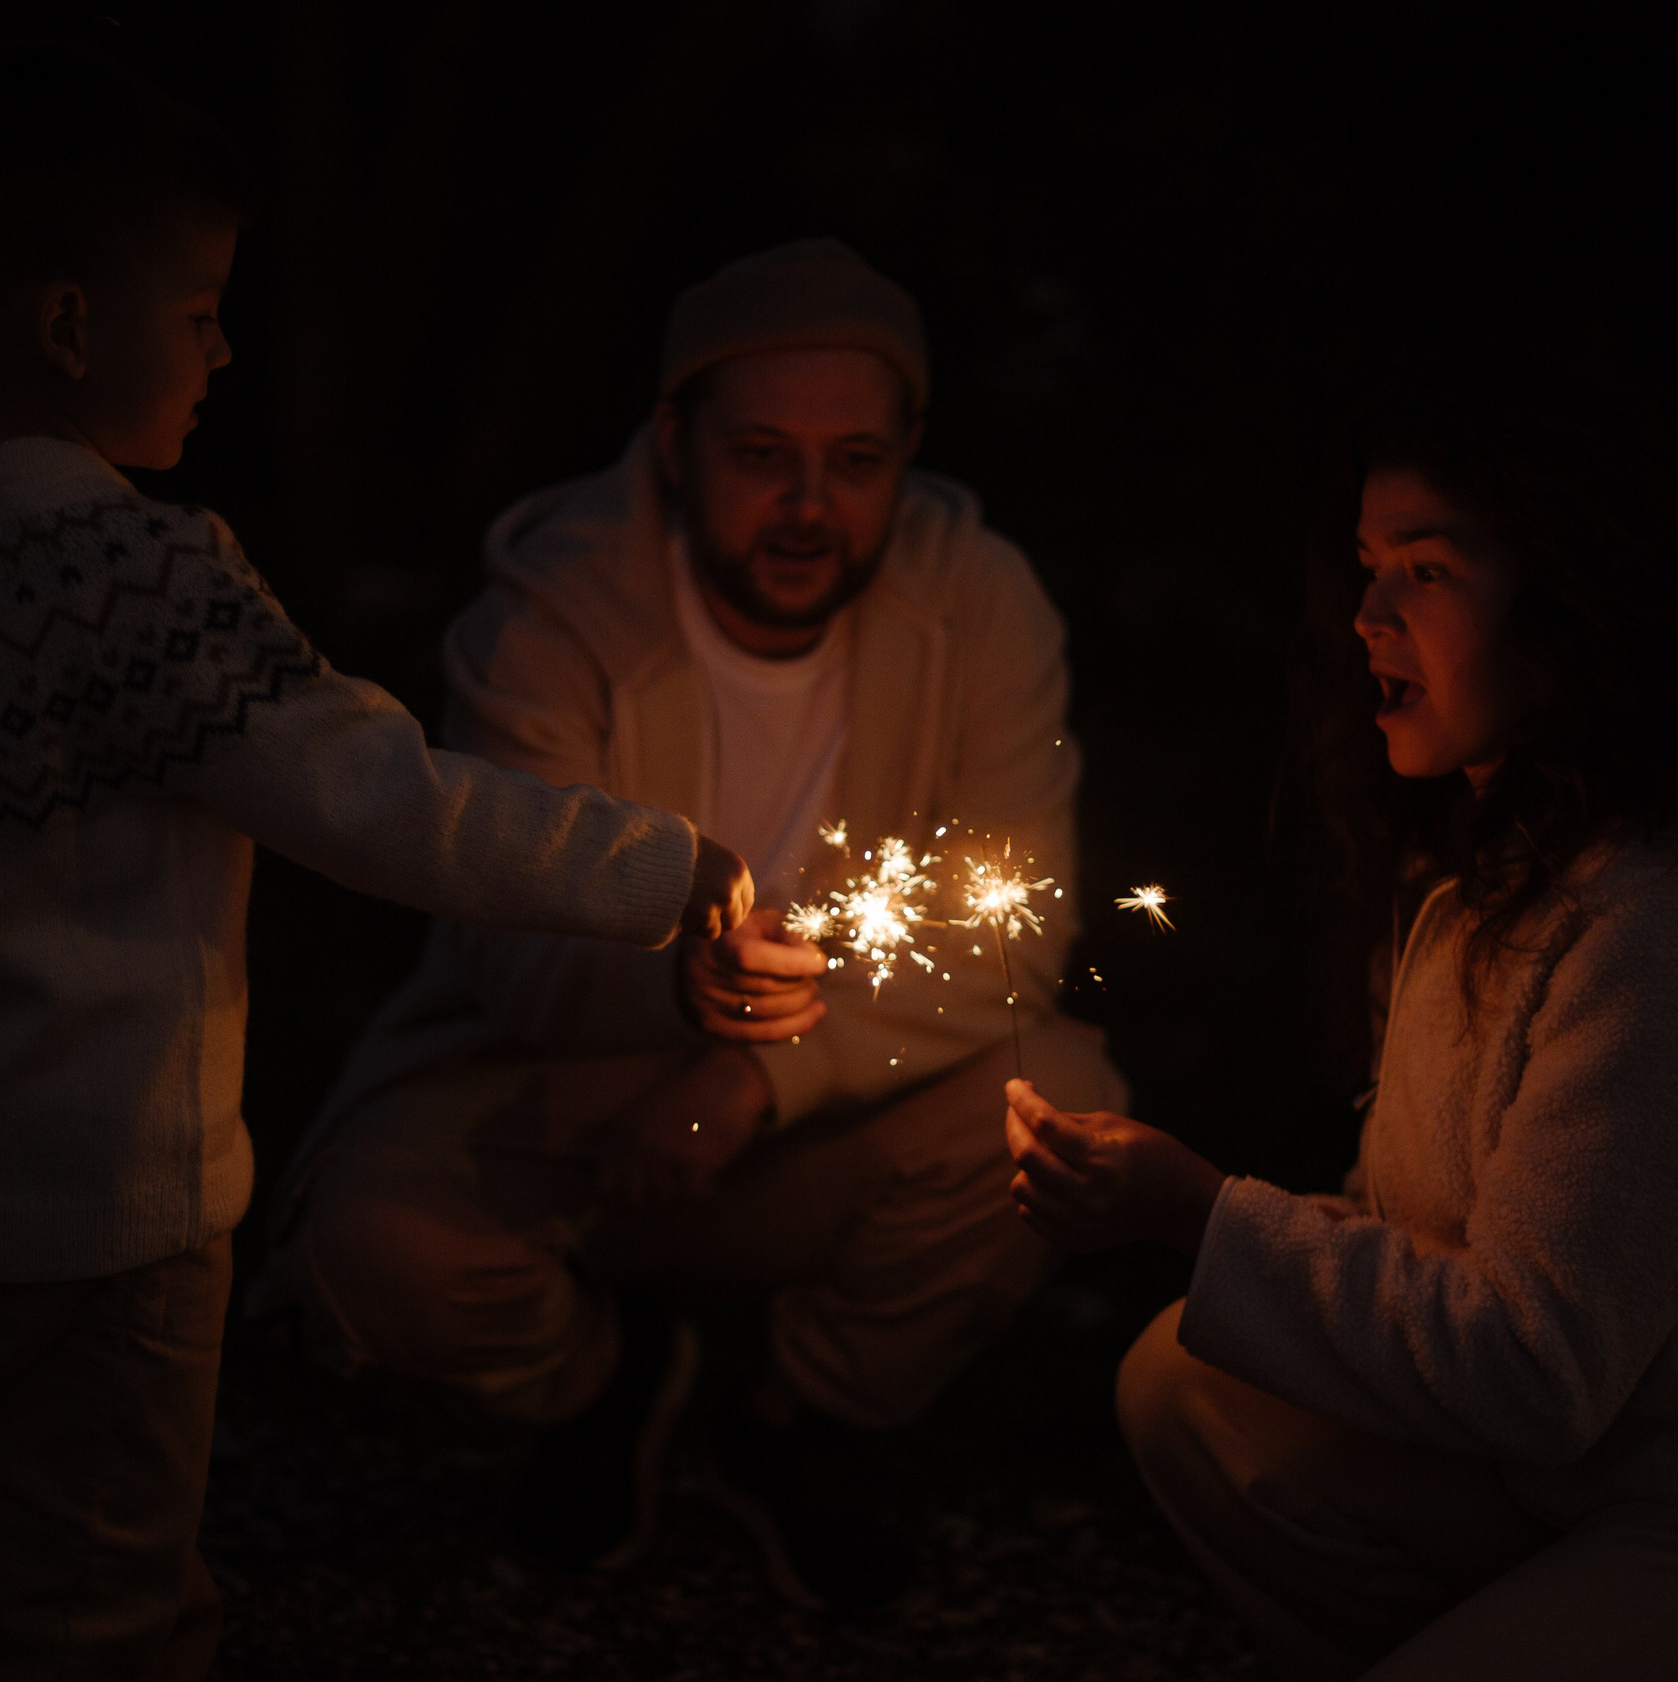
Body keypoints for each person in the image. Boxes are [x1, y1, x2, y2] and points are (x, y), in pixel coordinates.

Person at [0, 48, 751, 1682]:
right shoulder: (132, 577)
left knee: (45, 1530)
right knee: (78, 1611)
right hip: (115, 1211)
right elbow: (385, 805)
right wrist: (665, 864)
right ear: (71, 326)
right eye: (198, 312)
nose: (224, 350)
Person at [1000, 399, 1678, 1682]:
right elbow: (1429, 1255)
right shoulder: (1470, 888)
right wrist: (1195, 1220)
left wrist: (1200, 1214)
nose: (1368, 616)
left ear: (1570, 606)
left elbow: (1534, 1362)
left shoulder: (1670, 921)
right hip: (1596, 1478)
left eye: (1426, 570)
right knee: (1187, 1379)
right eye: (1368, 566)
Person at [253, 239, 1125, 1611]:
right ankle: (602, 1383)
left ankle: (795, 1419)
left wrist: (749, 1077)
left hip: (813, 1103)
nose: (809, 506)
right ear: (675, 441)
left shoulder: (980, 605)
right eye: (763, 455)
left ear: (909, 455)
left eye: (855, 462)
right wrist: (675, 994)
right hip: (567, 1089)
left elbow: (1015, 934)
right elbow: (505, 940)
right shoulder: (555, 612)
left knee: (1060, 1109)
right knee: (376, 1250)